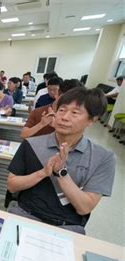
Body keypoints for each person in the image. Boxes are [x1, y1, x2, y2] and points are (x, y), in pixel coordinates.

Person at [7, 87, 116, 235]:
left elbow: (84, 207)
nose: (64, 117)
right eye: (62, 110)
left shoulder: (103, 157)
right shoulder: (31, 144)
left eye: (75, 113)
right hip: (25, 215)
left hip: (67, 227)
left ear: (92, 120)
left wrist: (61, 172)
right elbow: (12, 186)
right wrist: (42, 173)